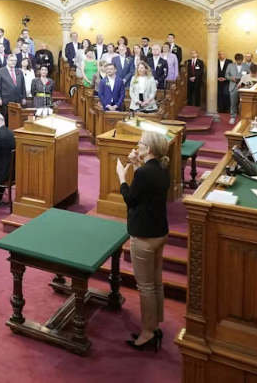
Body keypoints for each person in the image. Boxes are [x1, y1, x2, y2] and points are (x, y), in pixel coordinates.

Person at [117, 130, 170, 352]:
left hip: (144, 236)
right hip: (160, 233)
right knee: (156, 282)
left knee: (145, 287)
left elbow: (131, 199)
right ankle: (155, 325)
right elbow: (146, 187)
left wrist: (121, 176)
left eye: (140, 143)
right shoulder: (161, 168)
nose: (137, 145)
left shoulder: (143, 174)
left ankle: (148, 332)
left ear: (148, 149)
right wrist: (137, 164)